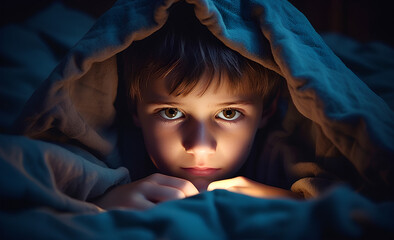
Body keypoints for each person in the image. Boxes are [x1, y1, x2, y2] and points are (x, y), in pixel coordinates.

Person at [93, 3, 300, 210]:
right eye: (171, 112)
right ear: (134, 108)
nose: (200, 147)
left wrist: (295, 203)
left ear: (266, 110)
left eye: (229, 113)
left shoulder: (288, 156)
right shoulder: (107, 156)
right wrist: (102, 203)